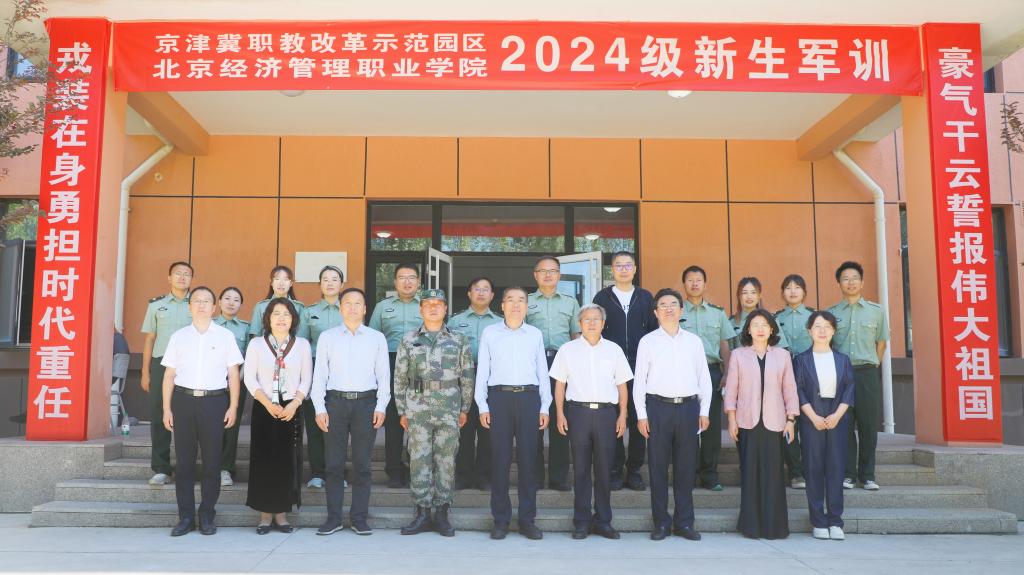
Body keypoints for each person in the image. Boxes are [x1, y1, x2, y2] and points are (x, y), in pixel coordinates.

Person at [159, 286, 243, 536]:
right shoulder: (179, 336)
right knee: (184, 463)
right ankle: (185, 517)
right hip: (183, 401)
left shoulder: (225, 336)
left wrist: (233, 406)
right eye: (197, 300)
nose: (201, 305)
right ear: (189, 306)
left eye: (207, 301)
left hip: (214, 402)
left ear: (214, 307)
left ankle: (207, 515)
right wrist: (166, 408)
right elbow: (169, 375)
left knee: (212, 462)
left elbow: (233, 374)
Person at [394, 289, 475, 537]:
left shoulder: (459, 339)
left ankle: (441, 513)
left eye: (438, 304)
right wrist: (402, 409)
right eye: (427, 304)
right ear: (420, 309)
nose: (433, 308)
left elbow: (467, 375)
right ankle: (421, 513)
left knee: (446, 460)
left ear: (445, 309)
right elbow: (400, 377)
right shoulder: (408, 340)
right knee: (419, 460)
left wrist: (465, 408)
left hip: (449, 408)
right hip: (417, 407)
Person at [312, 287, 390, 537]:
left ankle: (359, 518)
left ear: (365, 309)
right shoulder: (327, 337)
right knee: (333, 464)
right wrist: (319, 407)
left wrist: (381, 406)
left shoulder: (377, 338)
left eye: (358, 303)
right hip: (334, 403)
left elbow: (384, 376)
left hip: (366, 404)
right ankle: (333, 518)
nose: (353, 307)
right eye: (348, 303)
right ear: (340, 308)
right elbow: (319, 375)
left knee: (362, 465)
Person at [635, 288, 711, 542]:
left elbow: (704, 378)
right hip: (658, 408)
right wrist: (641, 415)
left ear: (681, 310)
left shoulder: (694, 341)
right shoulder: (648, 342)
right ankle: (661, 523)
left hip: (688, 409)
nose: (668, 308)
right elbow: (639, 382)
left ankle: (684, 523)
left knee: (686, 469)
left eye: (673, 304)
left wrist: (704, 410)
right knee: (657, 468)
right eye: (663, 305)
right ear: (656, 312)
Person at [476, 286, 551, 541]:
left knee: (529, 462)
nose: (516, 304)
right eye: (510, 300)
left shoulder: (535, 334)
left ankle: (527, 520)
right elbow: (482, 371)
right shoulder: (490, 333)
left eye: (521, 300)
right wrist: (483, 405)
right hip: (499, 398)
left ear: (527, 306)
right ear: (502, 306)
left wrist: (545, 405)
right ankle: (501, 520)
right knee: (500, 461)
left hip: (529, 398)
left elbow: (542, 372)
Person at [551, 304, 632, 540]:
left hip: (607, 414)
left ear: (603, 323)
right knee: (581, 469)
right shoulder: (567, 350)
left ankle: (604, 521)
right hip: (578, 413)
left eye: (596, 318)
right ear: (580, 324)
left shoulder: (614, 350)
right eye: (587, 319)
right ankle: (582, 522)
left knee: (605, 469)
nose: (592, 323)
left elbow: (622, 385)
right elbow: (560, 385)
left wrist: (623, 414)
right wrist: (560, 413)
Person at [724, 309, 800, 540]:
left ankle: (773, 526)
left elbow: (790, 389)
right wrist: (731, 419)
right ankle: (751, 526)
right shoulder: (738, 355)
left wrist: (791, 419)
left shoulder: (782, 356)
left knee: (773, 474)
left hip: (775, 421)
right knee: (750, 473)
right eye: (755, 325)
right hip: (747, 421)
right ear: (748, 329)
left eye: (765, 325)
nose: (760, 329)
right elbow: (732, 389)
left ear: (772, 329)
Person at [243, 298, 312, 534]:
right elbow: (249, 378)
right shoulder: (256, 344)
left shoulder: (301, 345)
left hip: (292, 408)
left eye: (286, 314)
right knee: (263, 461)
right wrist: (267, 403)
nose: (281, 318)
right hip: (264, 407)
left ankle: (281, 515)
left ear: (293, 319)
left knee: (287, 461)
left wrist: (295, 403)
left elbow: (306, 378)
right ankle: (264, 516)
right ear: (268, 318)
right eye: (276, 314)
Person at [591, 251, 656, 492]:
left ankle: (635, 470)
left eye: (628, 265)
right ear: (612, 270)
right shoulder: (602, 297)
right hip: (610, 367)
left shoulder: (645, 297)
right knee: (614, 420)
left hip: (640, 366)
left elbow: (654, 333)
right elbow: (594, 330)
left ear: (635, 269)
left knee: (639, 417)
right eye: (619, 265)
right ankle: (615, 470)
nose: (624, 269)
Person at [794, 311, 855, 541]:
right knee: (814, 469)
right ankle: (818, 521)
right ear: (809, 331)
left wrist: (837, 415)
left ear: (833, 331)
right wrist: (813, 417)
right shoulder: (801, 360)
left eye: (827, 326)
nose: (822, 331)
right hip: (811, 418)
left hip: (838, 417)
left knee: (836, 469)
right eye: (817, 326)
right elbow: (798, 390)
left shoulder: (843, 359)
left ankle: (836, 521)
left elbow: (849, 389)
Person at [828, 261, 888, 491]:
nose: (850, 282)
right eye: (845, 278)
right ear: (839, 284)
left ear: (862, 282)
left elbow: (881, 343)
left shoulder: (877, 311)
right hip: (841, 374)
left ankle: (868, 475)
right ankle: (848, 475)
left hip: (866, 373)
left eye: (855, 278)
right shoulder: (832, 314)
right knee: (844, 424)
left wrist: (873, 364)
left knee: (868, 425)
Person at [679, 265, 736, 492]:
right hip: (683, 373)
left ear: (705, 284)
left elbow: (724, 345)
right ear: (684, 284)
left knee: (711, 427)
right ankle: (689, 473)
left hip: (712, 372)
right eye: (690, 280)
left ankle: (710, 474)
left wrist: (727, 373)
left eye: (698, 280)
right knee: (687, 425)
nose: (694, 283)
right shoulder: (676, 311)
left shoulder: (717, 313)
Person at [527, 255, 580, 491]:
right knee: (534, 423)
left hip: (563, 365)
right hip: (532, 366)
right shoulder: (526, 301)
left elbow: (576, 336)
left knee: (561, 422)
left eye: (553, 271)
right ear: (535, 275)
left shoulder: (570, 302)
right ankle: (535, 477)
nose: (548, 275)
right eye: (543, 271)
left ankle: (559, 478)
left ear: (559, 275)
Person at [368, 263, 423, 488]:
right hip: (389, 363)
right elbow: (371, 339)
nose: (407, 282)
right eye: (402, 277)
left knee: (418, 417)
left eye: (411, 277)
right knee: (393, 419)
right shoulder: (382, 307)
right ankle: (394, 470)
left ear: (418, 282)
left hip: (420, 365)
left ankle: (416, 467)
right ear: (395, 282)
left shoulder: (427, 305)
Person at [140, 261, 193, 486]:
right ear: (169, 278)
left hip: (190, 366)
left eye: (187, 274)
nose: (182, 277)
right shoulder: (156, 305)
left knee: (188, 417)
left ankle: (186, 466)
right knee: (158, 415)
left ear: (191, 279)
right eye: (177, 273)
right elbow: (149, 339)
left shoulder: (198, 304)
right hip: (161, 364)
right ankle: (161, 468)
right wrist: (145, 372)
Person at [449, 276, 502, 491]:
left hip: (492, 379)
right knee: (464, 428)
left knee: (488, 429)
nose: (481, 292)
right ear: (469, 294)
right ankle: (463, 476)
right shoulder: (455, 321)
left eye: (485, 289)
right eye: (476, 289)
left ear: (492, 295)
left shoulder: (500, 322)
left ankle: (484, 477)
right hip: (463, 378)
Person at [300, 265, 345, 490]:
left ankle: (337, 473)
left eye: (334, 279)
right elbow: (302, 345)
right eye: (325, 279)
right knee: (314, 422)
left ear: (341, 284)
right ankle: (317, 472)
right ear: (320, 284)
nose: (330, 283)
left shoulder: (348, 309)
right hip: (315, 369)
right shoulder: (309, 312)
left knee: (338, 426)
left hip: (342, 372)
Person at [775, 274, 815, 489]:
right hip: (784, 376)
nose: (792, 291)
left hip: (811, 376)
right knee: (789, 423)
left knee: (811, 424)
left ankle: (813, 470)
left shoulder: (815, 316)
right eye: (788, 287)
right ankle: (796, 472)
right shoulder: (775, 318)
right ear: (782, 293)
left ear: (804, 292)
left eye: (797, 287)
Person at [214, 287, 249, 487]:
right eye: (227, 298)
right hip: (211, 384)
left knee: (231, 426)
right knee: (210, 425)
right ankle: (211, 467)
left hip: (236, 383)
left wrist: (236, 379)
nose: (231, 302)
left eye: (236, 299)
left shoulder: (245, 328)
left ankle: (225, 468)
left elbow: (248, 358)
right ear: (219, 302)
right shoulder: (209, 325)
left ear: (240, 305)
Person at [729, 277, 789, 350]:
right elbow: (729, 352)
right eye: (745, 293)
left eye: (753, 292)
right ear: (739, 296)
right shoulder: (732, 322)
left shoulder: (771, 319)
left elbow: (782, 349)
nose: (749, 296)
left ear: (759, 295)